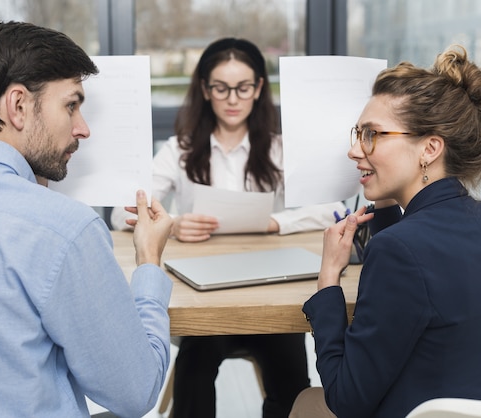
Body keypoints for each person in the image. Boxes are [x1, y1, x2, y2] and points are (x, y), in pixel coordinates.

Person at [0, 21, 174, 418]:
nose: (83, 128)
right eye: (71, 105)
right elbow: (135, 392)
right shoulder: (63, 228)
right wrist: (149, 264)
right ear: (18, 105)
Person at [112, 37, 346, 417]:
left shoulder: (278, 149)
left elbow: (333, 211)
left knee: (290, 374)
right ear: (205, 90)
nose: (232, 98)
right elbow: (120, 214)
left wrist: (274, 223)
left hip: (268, 294)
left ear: (258, 90)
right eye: (221, 88)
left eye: (243, 87)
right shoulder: (181, 149)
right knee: (194, 365)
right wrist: (171, 225)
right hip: (203, 297)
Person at [289, 45, 481, 418]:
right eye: (358, 133)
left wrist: (329, 279)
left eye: (372, 134)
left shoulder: (398, 250)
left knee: (305, 402)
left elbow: (346, 400)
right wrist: (383, 194)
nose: (354, 150)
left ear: (429, 148)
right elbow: (428, 266)